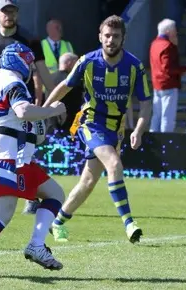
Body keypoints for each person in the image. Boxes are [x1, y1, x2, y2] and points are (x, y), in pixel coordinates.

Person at [0, 43, 66, 279]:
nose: (30, 68)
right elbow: (23, 112)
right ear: (19, 61)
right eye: (28, 62)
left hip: (14, 157)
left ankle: (36, 245)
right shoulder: (13, 81)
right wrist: (51, 111)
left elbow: (18, 121)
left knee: (55, 193)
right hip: (4, 156)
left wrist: (35, 126)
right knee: (4, 211)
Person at [42, 15, 152, 243]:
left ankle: (58, 221)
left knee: (88, 181)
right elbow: (64, 86)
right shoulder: (87, 62)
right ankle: (129, 223)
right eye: (107, 35)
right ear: (100, 37)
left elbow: (146, 103)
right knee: (114, 164)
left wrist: (138, 130)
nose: (111, 40)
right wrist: (43, 110)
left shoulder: (134, 66)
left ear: (124, 39)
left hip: (116, 129)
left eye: (116, 36)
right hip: (91, 124)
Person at [0, 0, 55, 215]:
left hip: (20, 102)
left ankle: (31, 196)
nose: (9, 15)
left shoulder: (29, 38)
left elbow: (41, 70)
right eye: (5, 11)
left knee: (26, 150)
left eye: (13, 11)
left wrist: (50, 97)